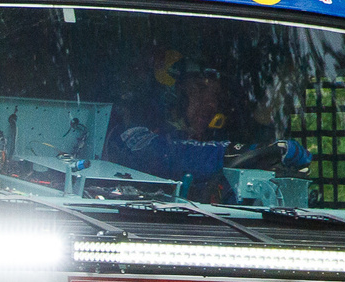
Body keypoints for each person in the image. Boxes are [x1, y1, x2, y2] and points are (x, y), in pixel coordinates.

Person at [113, 67, 309, 198]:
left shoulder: (216, 138)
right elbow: (169, 155)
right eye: (199, 89)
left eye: (215, 95)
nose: (210, 103)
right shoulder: (133, 127)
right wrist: (235, 153)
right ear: (175, 91)